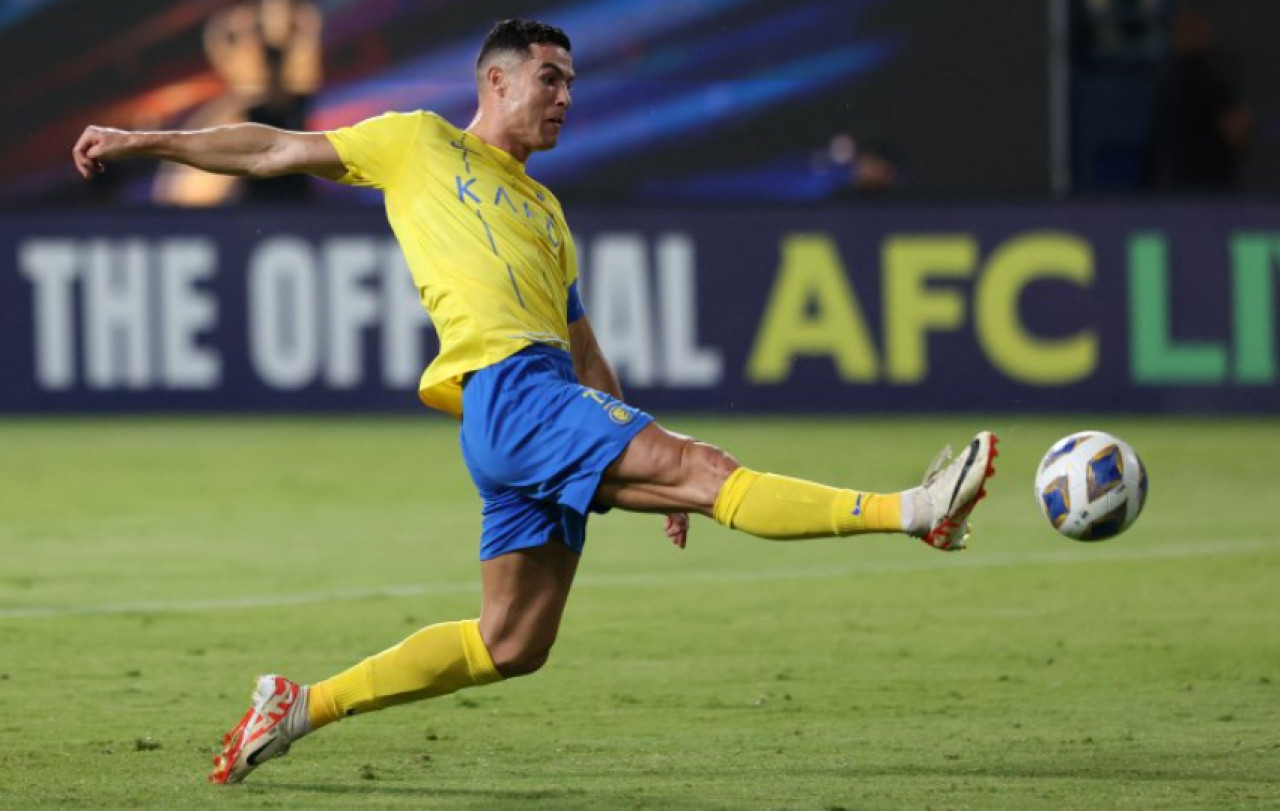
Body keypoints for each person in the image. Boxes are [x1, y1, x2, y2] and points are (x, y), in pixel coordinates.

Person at [71, 19, 998, 785]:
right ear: (496, 81)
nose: (564, 97)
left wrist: (648, 460)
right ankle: (916, 511)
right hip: (509, 395)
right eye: (549, 79)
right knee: (712, 470)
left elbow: (585, 346)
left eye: (569, 84)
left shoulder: (547, 214)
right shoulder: (417, 142)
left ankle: (300, 704)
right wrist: (142, 139)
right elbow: (272, 146)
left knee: (512, 642)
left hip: (537, 403)